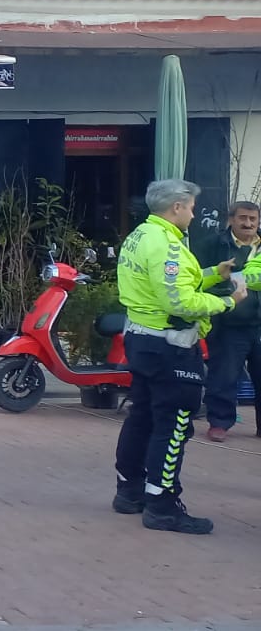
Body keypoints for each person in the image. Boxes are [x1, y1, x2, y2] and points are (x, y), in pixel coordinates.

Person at [112, 179, 243, 534]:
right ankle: (163, 504)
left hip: (142, 338)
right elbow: (179, 301)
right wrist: (228, 301)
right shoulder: (167, 245)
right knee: (173, 424)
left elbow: (171, 284)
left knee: (142, 416)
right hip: (169, 346)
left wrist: (214, 273)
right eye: (191, 207)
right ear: (176, 208)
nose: (194, 213)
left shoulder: (141, 236)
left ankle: (130, 491)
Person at [195, 200, 261, 442]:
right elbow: (197, 280)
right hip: (228, 323)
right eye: (243, 218)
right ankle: (219, 423)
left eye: (253, 219)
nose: (248, 224)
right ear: (231, 219)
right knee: (224, 376)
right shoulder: (212, 245)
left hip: (260, 324)